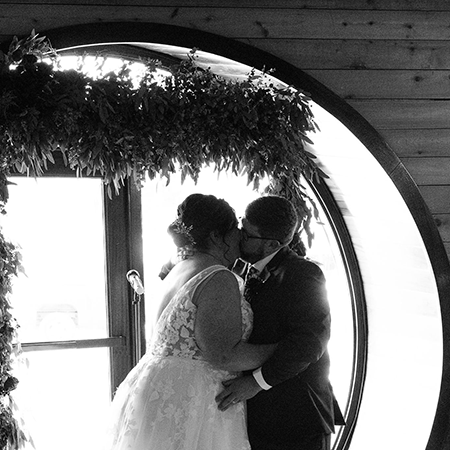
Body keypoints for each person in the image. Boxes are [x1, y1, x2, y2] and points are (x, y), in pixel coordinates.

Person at [103, 193, 275, 450]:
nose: (240, 237)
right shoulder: (217, 277)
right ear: (218, 236)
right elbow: (223, 355)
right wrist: (280, 349)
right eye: (235, 231)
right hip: (195, 399)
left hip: (158, 389)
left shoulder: (179, 269)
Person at [216, 195, 344, 450]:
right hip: (260, 417)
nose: (241, 236)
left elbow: (309, 343)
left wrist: (255, 383)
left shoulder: (304, 275)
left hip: (296, 417)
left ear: (271, 244)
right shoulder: (243, 269)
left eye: (248, 233)